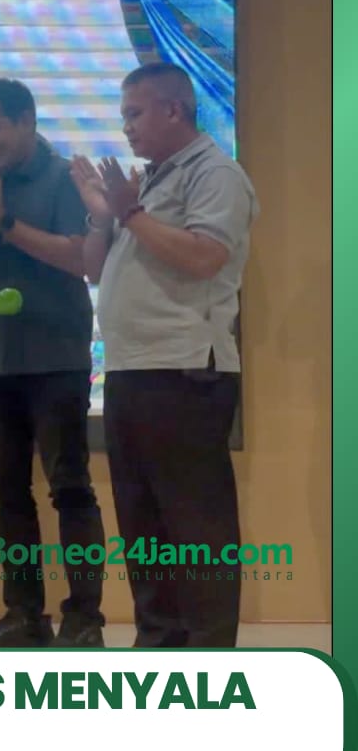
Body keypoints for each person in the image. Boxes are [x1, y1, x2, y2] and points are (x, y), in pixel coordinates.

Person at [73, 61, 257, 648]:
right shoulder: (148, 183)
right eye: (123, 115)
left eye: (135, 113)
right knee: (143, 521)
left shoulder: (215, 174)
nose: (126, 127)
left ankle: (207, 657)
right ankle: (158, 647)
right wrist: (105, 214)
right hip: (131, 371)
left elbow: (204, 257)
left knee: (195, 526)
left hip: (184, 370)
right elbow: (94, 269)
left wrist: (130, 212)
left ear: (174, 110)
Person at [0, 78, 107, 647]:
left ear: (27, 121)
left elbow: (82, 259)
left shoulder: (64, 178)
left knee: (70, 488)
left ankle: (84, 619)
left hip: (57, 357)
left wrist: (7, 225)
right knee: (5, 491)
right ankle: (24, 613)